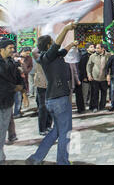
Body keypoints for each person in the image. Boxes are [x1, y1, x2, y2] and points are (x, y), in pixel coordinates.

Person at [26, 22, 78, 165]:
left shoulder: (52, 57)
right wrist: (66, 28)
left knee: (56, 130)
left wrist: (72, 44)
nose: (55, 44)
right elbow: (57, 45)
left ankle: (36, 158)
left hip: (53, 99)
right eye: (52, 42)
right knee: (65, 133)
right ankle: (63, 162)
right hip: (59, 98)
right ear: (49, 46)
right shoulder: (47, 57)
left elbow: (63, 50)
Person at [0, 39, 23, 165]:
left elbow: (18, 77)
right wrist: (14, 87)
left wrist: (22, 88)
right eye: (10, 48)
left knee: (3, 129)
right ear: (1, 49)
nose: (13, 50)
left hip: (7, 101)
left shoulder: (11, 62)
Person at [31, 48, 52, 135]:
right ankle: (42, 128)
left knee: (50, 107)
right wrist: (42, 46)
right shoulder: (40, 57)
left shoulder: (50, 56)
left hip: (50, 84)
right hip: (41, 84)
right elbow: (34, 52)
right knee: (43, 107)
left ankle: (48, 125)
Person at [87, 44, 110, 112]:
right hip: (95, 78)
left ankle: (102, 106)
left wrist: (109, 75)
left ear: (103, 49)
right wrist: (89, 75)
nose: (96, 49)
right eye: (96, 48)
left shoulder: (108, 55)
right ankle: (95, 107)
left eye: (98, 48)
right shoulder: (92, 56)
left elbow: (110, 66)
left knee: (104, 93)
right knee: (95, 93)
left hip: (104, 78)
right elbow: (89, 66)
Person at [78, 43, 94, 108]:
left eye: (93, 47)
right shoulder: (84, 57)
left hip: (94, 77)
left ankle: (91, 104)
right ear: (87, 49)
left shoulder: (95, 56)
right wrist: (84, 76)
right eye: (91, 47)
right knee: (85, 92)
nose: (93, 48)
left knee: (92, 92)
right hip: (86, 78)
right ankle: (84, 105)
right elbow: (82, 68)